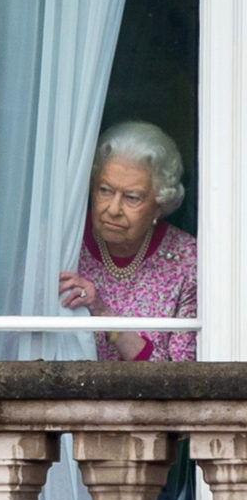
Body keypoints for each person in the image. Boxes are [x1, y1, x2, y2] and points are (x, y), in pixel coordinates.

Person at [58, 121, 196, 361]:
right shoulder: (60, 243)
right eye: (105, 190)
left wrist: (103, 314)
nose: (113, 209)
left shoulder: (186, 261)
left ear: (160, 205)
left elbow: (179, 378)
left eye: (131, 197)